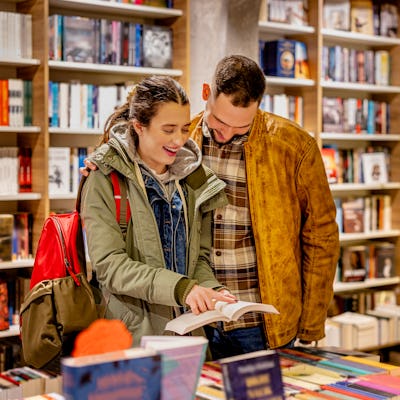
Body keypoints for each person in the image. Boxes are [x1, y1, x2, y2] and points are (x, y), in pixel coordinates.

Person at [83, 55, 340, 359]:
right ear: (206, 93)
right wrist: (101, 163)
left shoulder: (292, 147)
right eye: (219, 122)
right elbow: (129, 149)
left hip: (255, 321)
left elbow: (321, 237)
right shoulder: (182, 140)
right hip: (187, 321)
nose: (227, 134)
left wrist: (310, 323)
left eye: (241, 127)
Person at [80, 75, 236, 345]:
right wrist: (182, 289)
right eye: (168, 129)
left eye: (185, 128)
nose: (179, 140)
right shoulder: (105, 178)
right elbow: (110, 267)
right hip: (131, 339)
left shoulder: (194, 180)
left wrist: (211, 290)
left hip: (188, 336)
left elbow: (197, 260)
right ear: (139, 126)